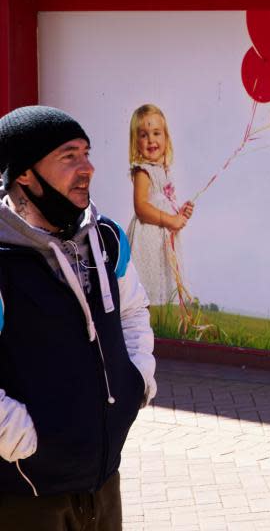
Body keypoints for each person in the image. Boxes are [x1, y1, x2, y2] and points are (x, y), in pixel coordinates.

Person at [0, 106, 157, 530]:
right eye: (68, 156)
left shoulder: (105, 238)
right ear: (24, 174)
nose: (87, 167)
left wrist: (137, 376)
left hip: (103, 480)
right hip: (25, 494)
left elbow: (132, 310)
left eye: (86, 153)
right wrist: (20, 438)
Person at [125, 104, 194, 305]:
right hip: (148, 237)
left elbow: (161, 202)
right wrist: (171, 220)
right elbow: (141, 207)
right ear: (135, 141)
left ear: (166, 138)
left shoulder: (163, 170)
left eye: (156, 133)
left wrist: (179, 213)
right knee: (148, 279)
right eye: (144, 135)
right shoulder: (143, 171)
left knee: (163, 279)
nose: (151, 140)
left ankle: (160, 320)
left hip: (162, 234)